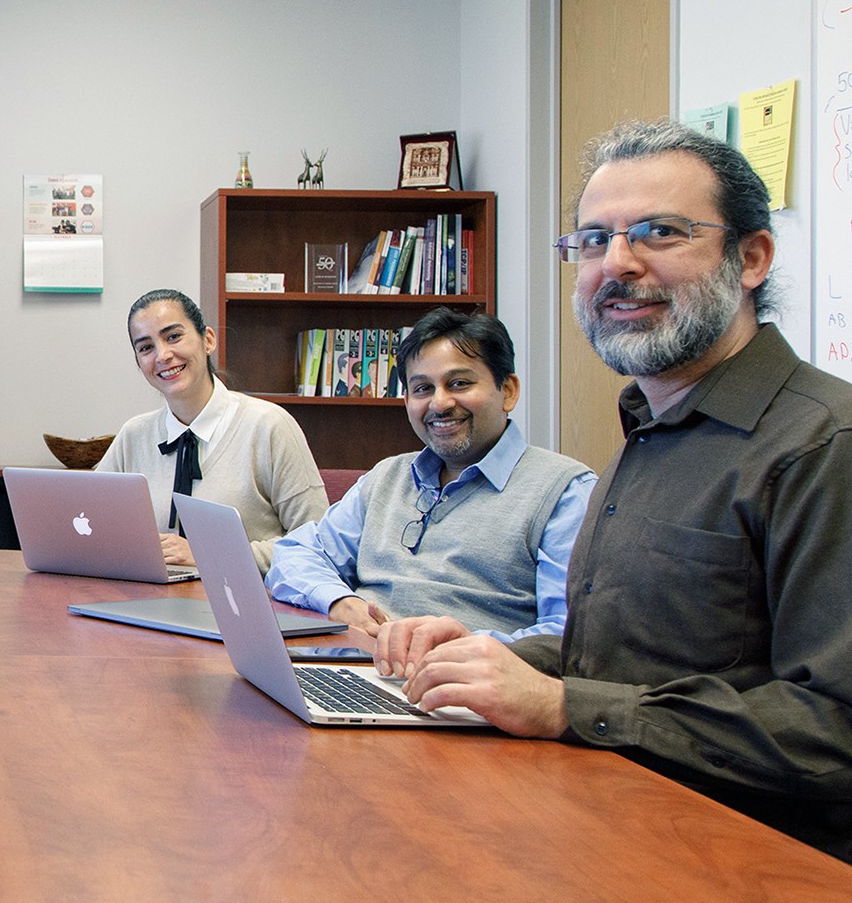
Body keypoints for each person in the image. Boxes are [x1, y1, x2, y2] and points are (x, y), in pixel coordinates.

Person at [387, 119, 852, 860]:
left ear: (753, 256)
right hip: (606, 830)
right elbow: (628, 660)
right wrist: (495, 659)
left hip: (747, 881)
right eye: (592, 241)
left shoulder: (823, 445)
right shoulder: (650, 426)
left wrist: (568, 705)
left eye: (659, 232)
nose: (617, 264)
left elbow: (833, 725)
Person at [264, 308, 594, 639]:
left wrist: (464, 650)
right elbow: (295, 554)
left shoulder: (566, 494)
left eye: (459, 383)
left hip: (464, 682)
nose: (439, 403)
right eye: (422, 389)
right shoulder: (387, 477)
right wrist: (340, 602)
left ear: (507, 390)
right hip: (355, 665)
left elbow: (566, 636)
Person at [94, 288, 327, 571]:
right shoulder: (134, 435)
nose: (163, 355)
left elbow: (318, 543)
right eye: (146, 348)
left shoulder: (269, 426)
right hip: (148, 602)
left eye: (173, 336)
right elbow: (90, 523)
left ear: (208, 340)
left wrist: (210, 554)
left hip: (246, 604)